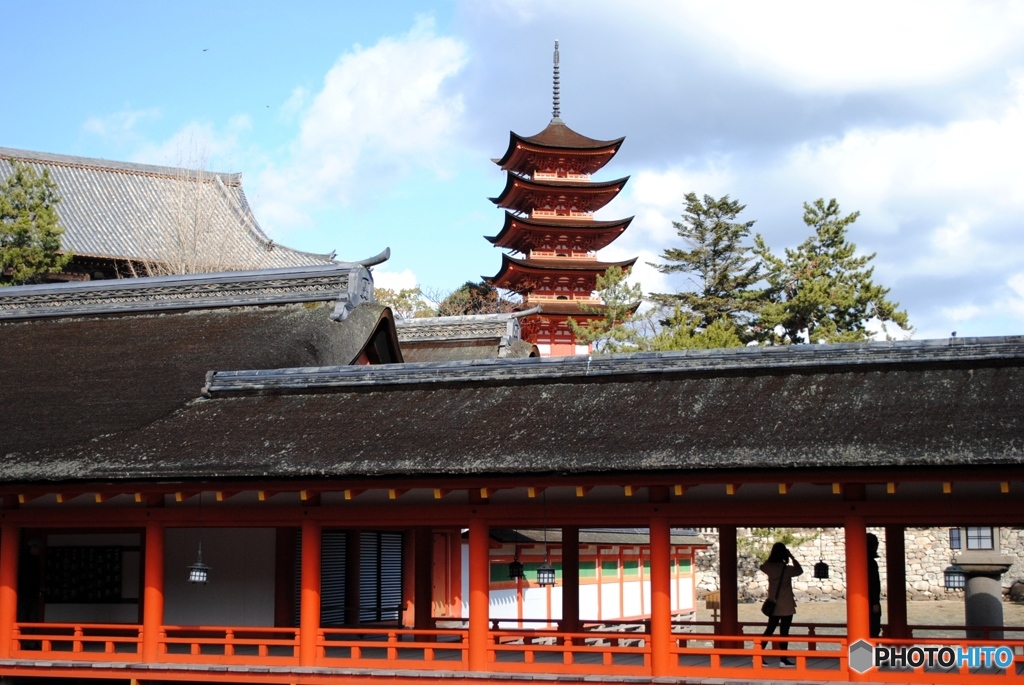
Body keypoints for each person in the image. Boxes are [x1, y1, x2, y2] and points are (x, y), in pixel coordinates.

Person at [761, 542, 803, 667]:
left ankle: (758, 655)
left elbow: (762, 566)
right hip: (786, 604)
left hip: (773, 604)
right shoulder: (787, 569)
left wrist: (770, 558)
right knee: (784, 632)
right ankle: (783, 659)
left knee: (769, 630)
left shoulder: (769, 568)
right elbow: (799, 570)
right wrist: (791, 557)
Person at [867, 533, 882, 637]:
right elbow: (874, 583)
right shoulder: (871, 564)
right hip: (871, 602)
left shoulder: (857, 562)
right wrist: (875, 602)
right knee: (873, 628)